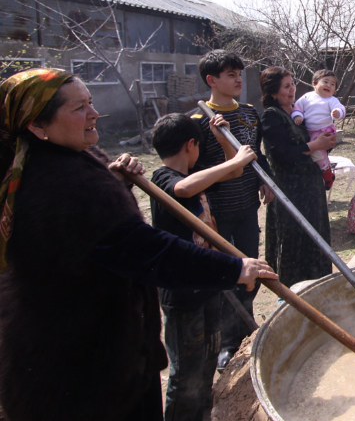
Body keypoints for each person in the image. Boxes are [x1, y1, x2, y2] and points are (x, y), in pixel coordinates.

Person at [0, 68, 277, 421]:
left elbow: (94, 235)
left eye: (91, 102)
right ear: (38, 126)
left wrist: (115, 182)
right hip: (81, 363)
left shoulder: (59, 160)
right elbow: (146, 251)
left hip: (90, 346)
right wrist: (235, 268)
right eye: (78, 108)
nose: (93, 113)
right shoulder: (62, 184)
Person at [150, 113, 258, 421]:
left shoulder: (195, 171)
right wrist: (235, 158)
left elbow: (233, 172)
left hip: (207, 285)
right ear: (191, 144)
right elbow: (183, 189)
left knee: (207, 364)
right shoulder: (164, 178)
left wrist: (223, 139)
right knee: (185, 376)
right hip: (183, 293)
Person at [195, 49, 274, 371]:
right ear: (212, 80)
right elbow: (196, 167)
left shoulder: (249, 113)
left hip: (246, 207)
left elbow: (256, 151)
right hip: (216, 212)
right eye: (230, 75)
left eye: (239, 73)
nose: (238, 79)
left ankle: (244, 329)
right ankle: (225, 342)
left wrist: (264, 178)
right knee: (223, 275)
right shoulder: (198, 121)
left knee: (249, 271)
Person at [259, 67, 335, 288]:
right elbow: (280, 154)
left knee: (315, 237)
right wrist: (314, 146)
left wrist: (324, 144)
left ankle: (318, 287)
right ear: (273, 93)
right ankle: (293, 294)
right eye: (286, 86)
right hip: (290, 191)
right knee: (294, 240)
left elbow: (313, 142)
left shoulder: (297, 112)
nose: (292, 89)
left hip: (311, 189)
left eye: (293, 84)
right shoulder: (272, 116)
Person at [291, 69, 346, 190]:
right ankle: (327, 171)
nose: (329, 85)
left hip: (325, 130)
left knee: (318, 154)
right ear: (314, 83)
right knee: (316, 154)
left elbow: (341, 108)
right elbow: (297, 108)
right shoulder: (306, 98)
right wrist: (297, 116)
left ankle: (327, 174)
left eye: (332, 84)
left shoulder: (332, 100)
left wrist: (338, 113)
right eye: (325, 82)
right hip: (310, 131)